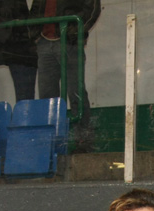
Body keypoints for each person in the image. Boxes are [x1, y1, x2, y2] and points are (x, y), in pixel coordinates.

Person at [30, 0, 100, 147]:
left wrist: (74, 31)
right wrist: (35, 34)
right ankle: (54, 143)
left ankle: (83, 141)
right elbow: (36, 9)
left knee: (75, 91)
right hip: (45, 42)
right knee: (47, 97)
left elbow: (92, 8)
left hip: (68, 42)